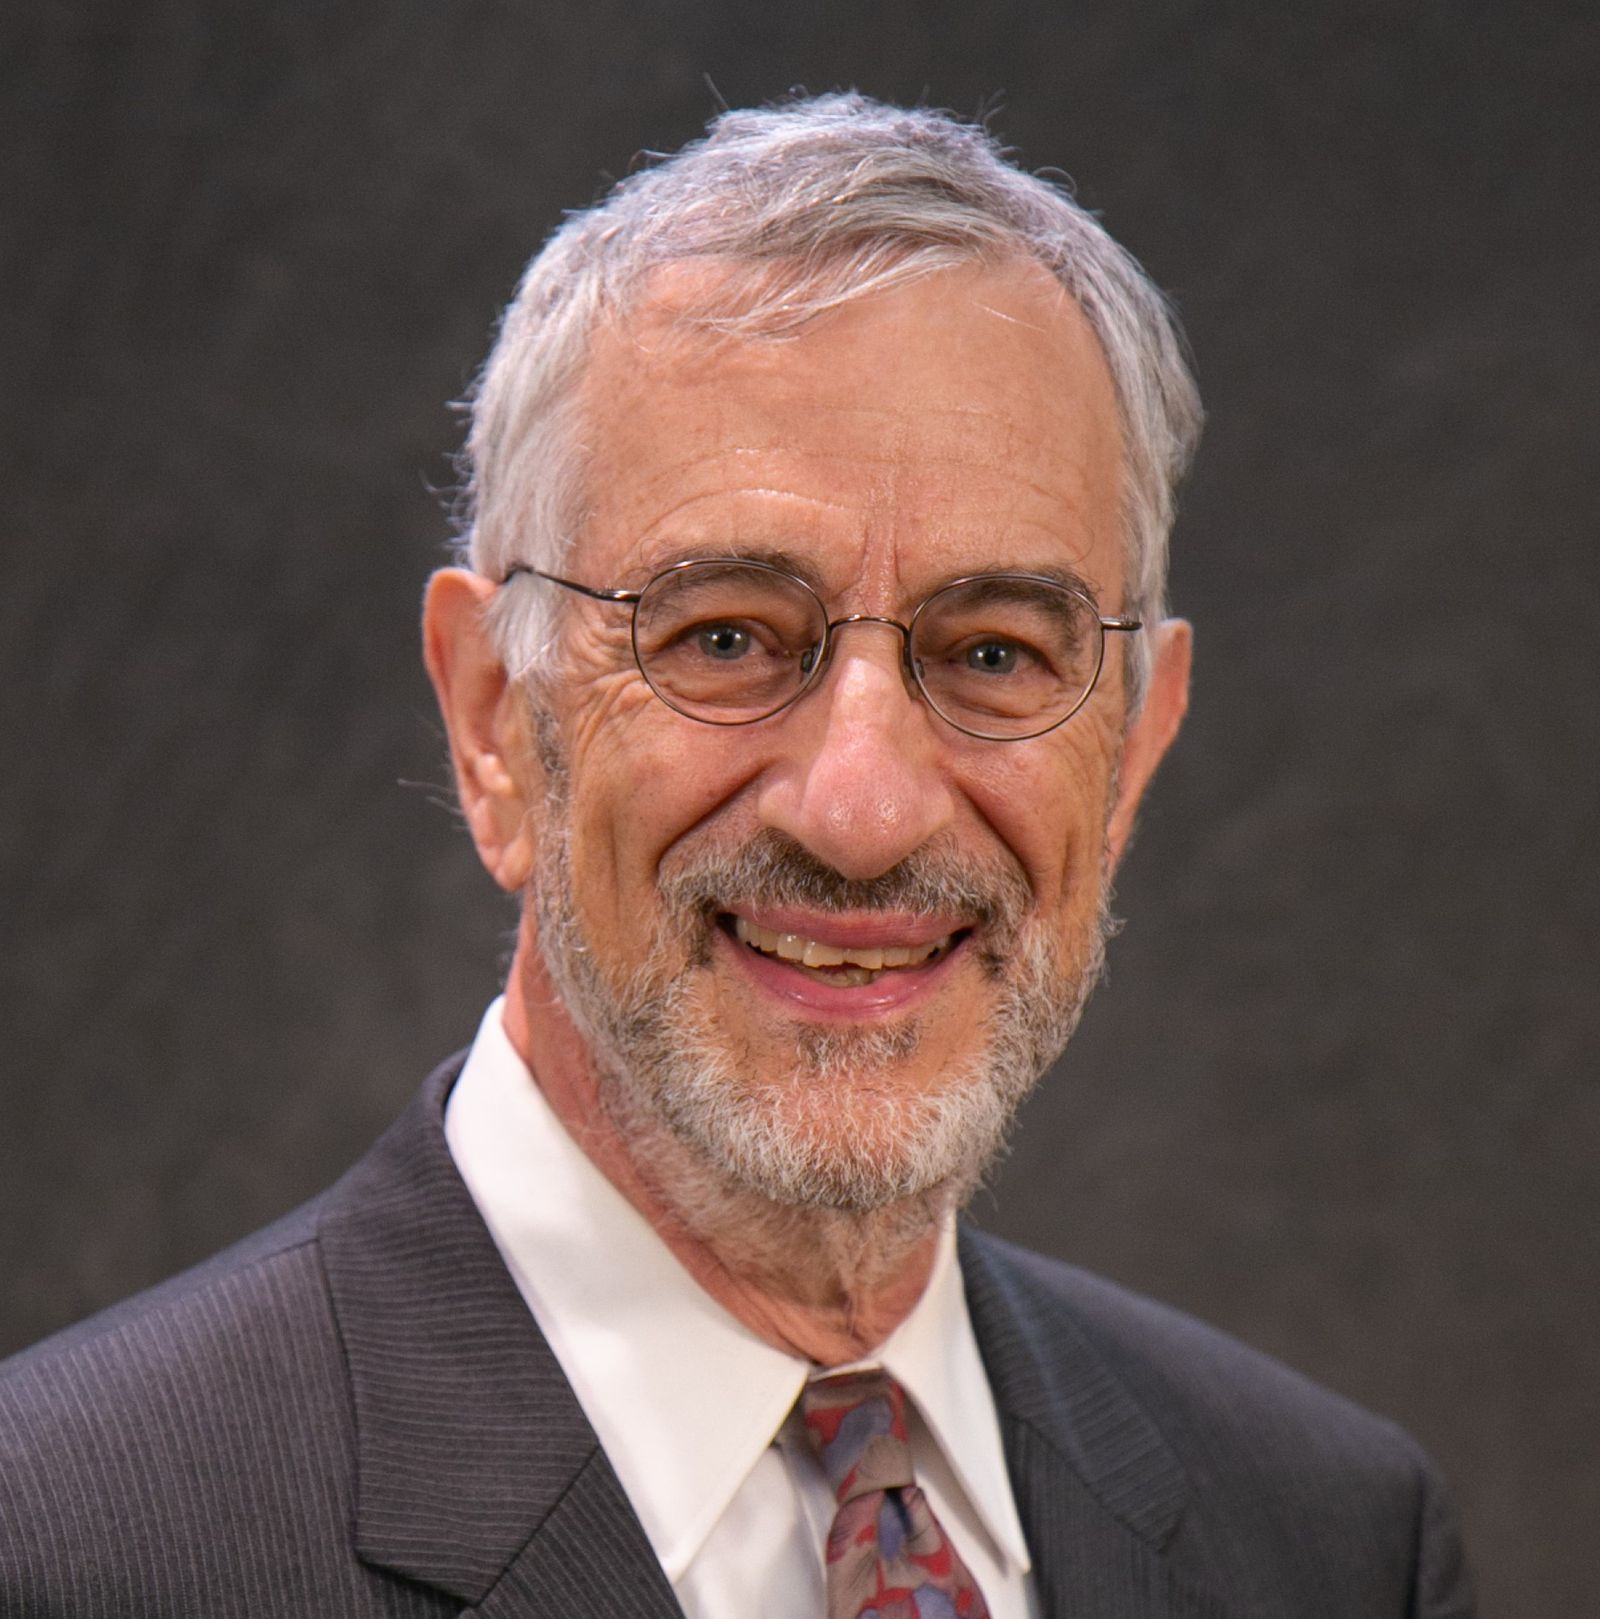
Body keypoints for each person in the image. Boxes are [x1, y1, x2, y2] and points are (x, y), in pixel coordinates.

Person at [0, 94, 1473, 1618]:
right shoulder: (64, 1552)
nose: (861, 807)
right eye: (724, 638)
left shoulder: (1332, 1546)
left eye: (993, 653)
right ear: (495, 720)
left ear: (1134, 754)